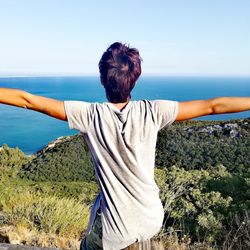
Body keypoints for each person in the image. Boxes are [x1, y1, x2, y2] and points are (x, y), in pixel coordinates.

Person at [0, 42, 249, 250]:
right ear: (134, 80)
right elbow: (213, 106)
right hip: (152, 218)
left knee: (87, 245)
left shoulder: (90, 115)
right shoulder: (152, 111)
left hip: (115, 229)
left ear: (102, 79)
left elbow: (28, 101)